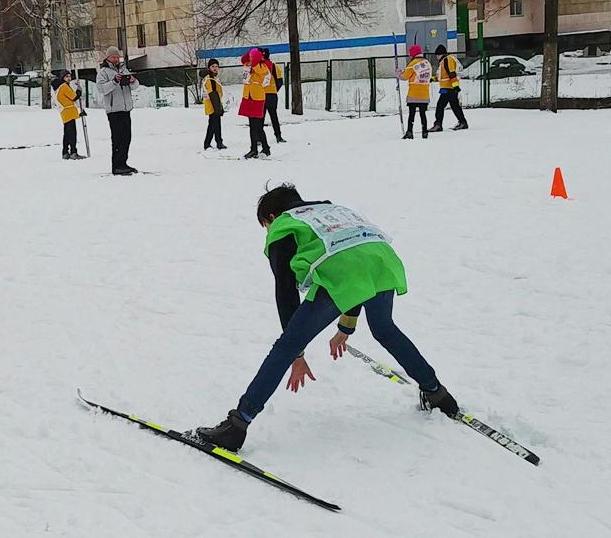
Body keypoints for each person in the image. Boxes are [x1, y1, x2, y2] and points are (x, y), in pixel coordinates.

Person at [196, 183, 459, 452]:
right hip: (382, 261)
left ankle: (236, 426)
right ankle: (437, 394)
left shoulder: (283, 226)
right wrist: (346, 326)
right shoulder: (330, 210)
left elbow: (286, 292)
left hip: (345, 274)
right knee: (385, 329)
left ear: (272, 217)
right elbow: (353, 256)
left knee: (285, 346)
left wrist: (296, 352)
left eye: (265, 225)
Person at [95, 46, 139, 175]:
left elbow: (135, 86)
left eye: (117, 57)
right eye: (113, 57)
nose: (116, 59)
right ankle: (117, 165)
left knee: (127, 137)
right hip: (114, 110)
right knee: (118, 138)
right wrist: (114, 81)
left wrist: (132, 80)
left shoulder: (124, 69)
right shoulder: (103, 72)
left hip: (126, 109)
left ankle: (123, 163)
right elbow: (101, 89)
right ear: (108, 58)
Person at [239, 48, 271, 159]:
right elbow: (243, 60)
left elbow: (257, 67)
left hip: (257, 99)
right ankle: (258, 149)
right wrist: (250, 53)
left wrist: (254, 57)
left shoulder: (262, 67)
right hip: (249, 97)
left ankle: (260, 149)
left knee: (256, 126)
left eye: (252, 57)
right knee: (253, 126)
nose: (250, 59)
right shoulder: (249, 66)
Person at [429, 45, 469, 132]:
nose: (437, 57)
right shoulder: (444, 61)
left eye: (437, 55)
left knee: (440, 106)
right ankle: (462, 122)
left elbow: (452, 73)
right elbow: (442, 76)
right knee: (455, 106)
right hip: (449, 87)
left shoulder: (447, 60)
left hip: (448, 88)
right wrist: (432, 79)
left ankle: (438, 125)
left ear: (440, 54)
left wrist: (455, 86)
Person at [52, 70, 86, 160]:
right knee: (72, 134)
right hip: (68, 112)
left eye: (69, 76)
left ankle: (65, 152)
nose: (69, 78)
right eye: (66, 76)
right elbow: (74, 97)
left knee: (67, 134)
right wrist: (79, 91)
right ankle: (73, 152)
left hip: (66, 112)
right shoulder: (64, 86)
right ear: (62, 78)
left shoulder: (60, 87)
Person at [401, 44, 432, 140]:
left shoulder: (413, 64)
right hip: (425, 94)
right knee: (423, 114)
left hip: (413, 94)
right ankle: (425, 131)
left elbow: (404, 77)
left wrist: (399, 73)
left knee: (412, 114)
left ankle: (409, 132)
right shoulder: (427, 63)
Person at [259, 48, 286, 143]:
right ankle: (278, 136)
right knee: (274, 116)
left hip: (260, 95)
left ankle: (258, 138)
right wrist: (274, 90)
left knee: (260, 118)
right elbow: (280, 81)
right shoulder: (274, 66)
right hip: (271, 95)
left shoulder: (258, 66)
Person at [201, 59, 226, 150]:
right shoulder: (210, 78)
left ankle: (207, 143)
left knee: (212, 125)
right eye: (213, 66)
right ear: (209, 68)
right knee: (216, 125)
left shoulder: (214, 77)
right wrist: (218, 108)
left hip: (214, 104)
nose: (215, 68)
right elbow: (213, 94)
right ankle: (219, 142)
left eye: (216, 66)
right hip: (212, 105)